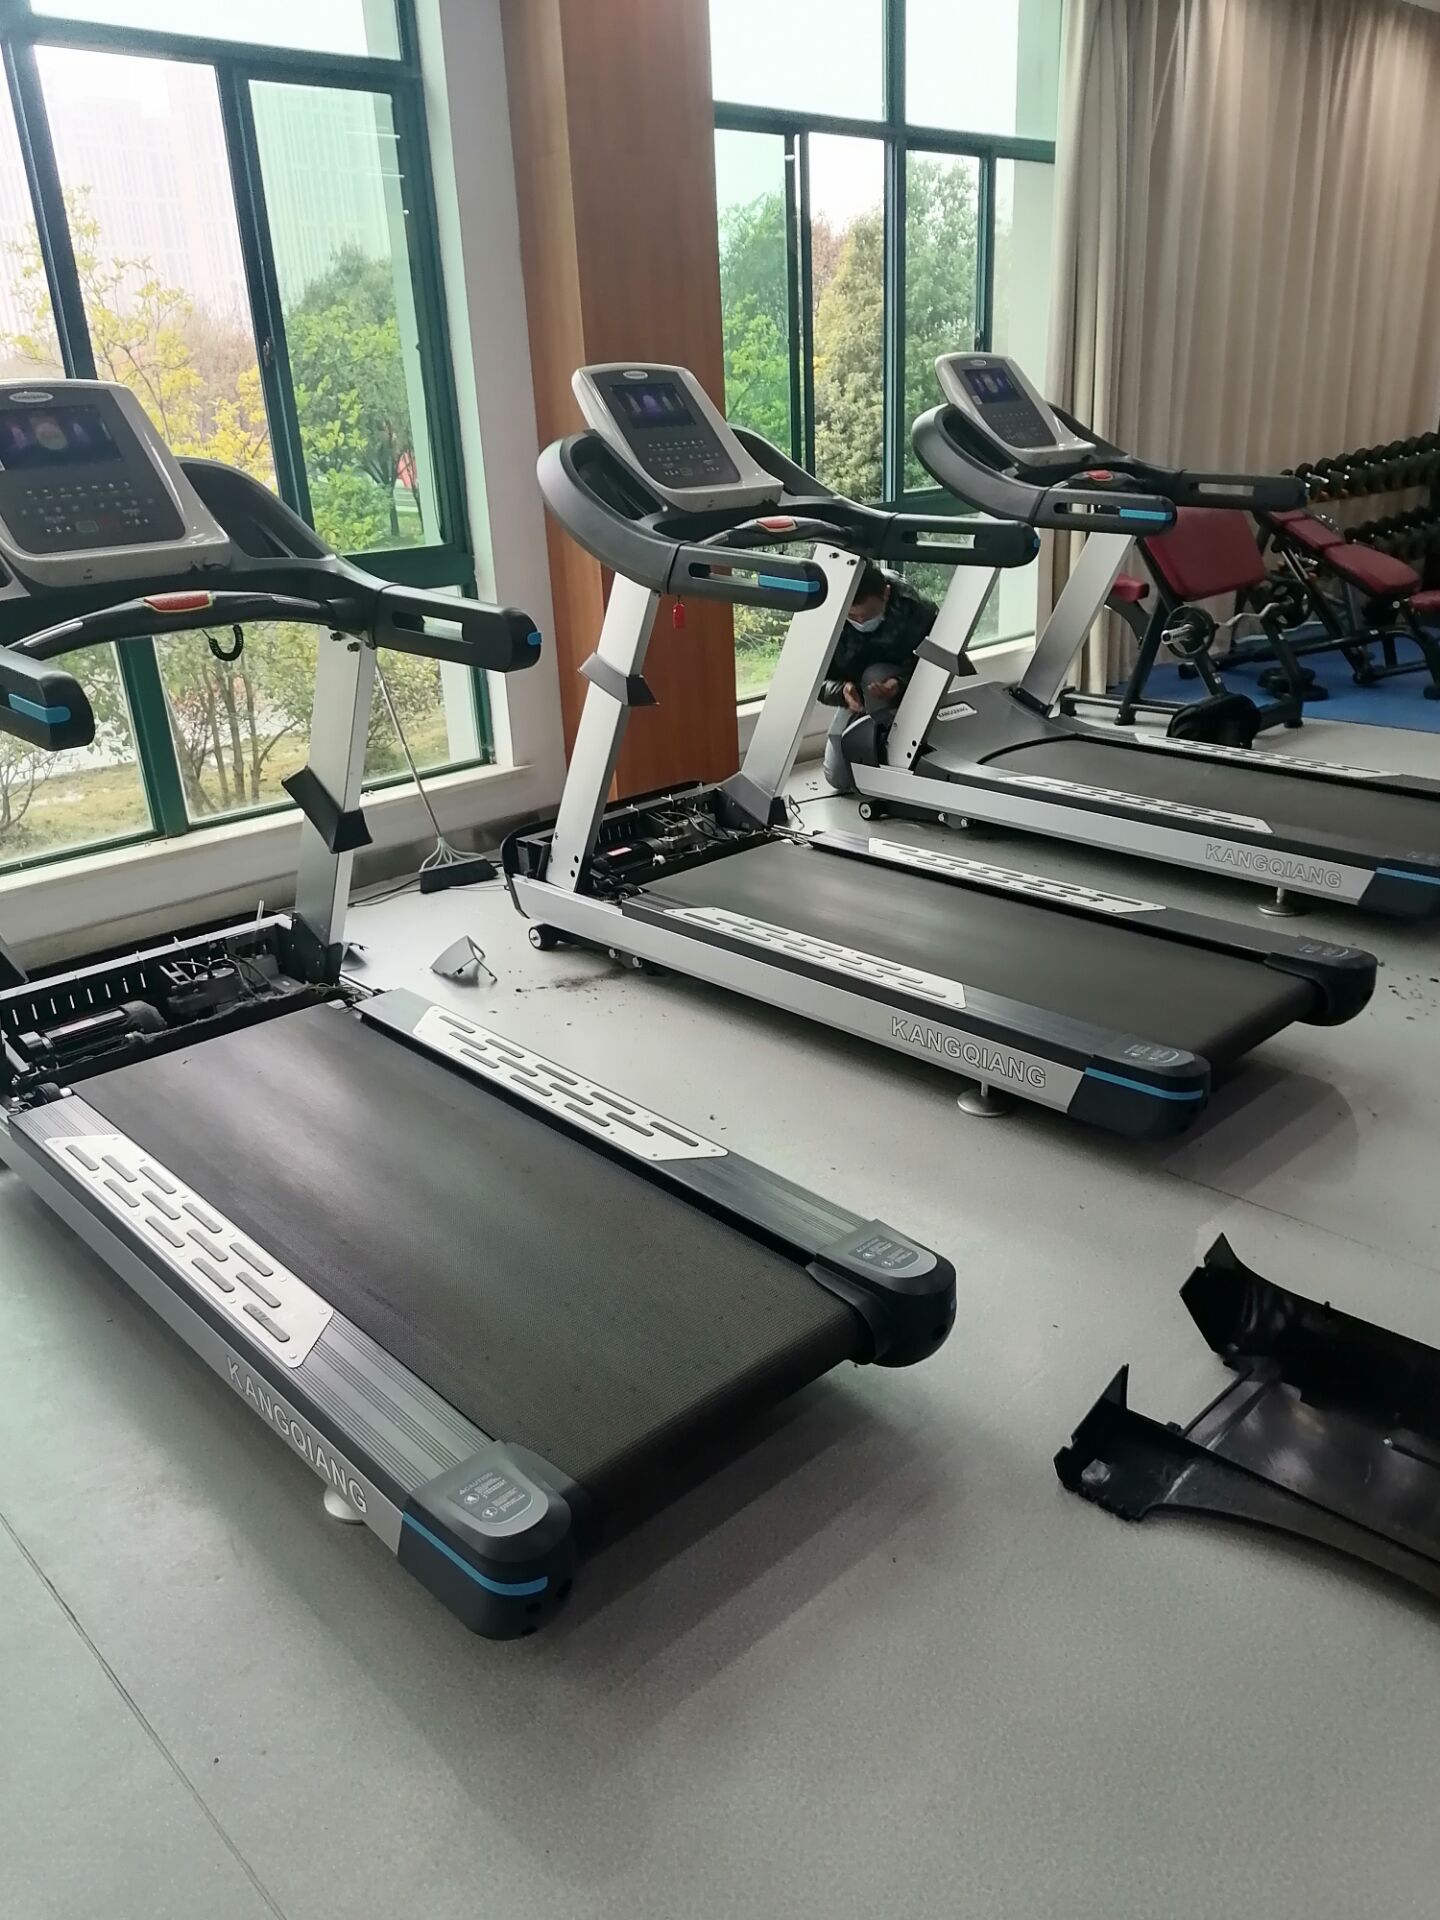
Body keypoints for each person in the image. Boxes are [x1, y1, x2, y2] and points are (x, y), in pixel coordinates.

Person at [819, 562, 938, 793]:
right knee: (839, 778)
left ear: (886, 593)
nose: (861, 622)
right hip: (857, 694)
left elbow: (936, 668)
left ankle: (895, 752)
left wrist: (899, 684)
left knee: (875, 674)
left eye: (868, 615)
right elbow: (815, 681)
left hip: (902, 688)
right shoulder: (827, 613)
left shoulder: (917, 610)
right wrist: (842, 692)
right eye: (852, 616)